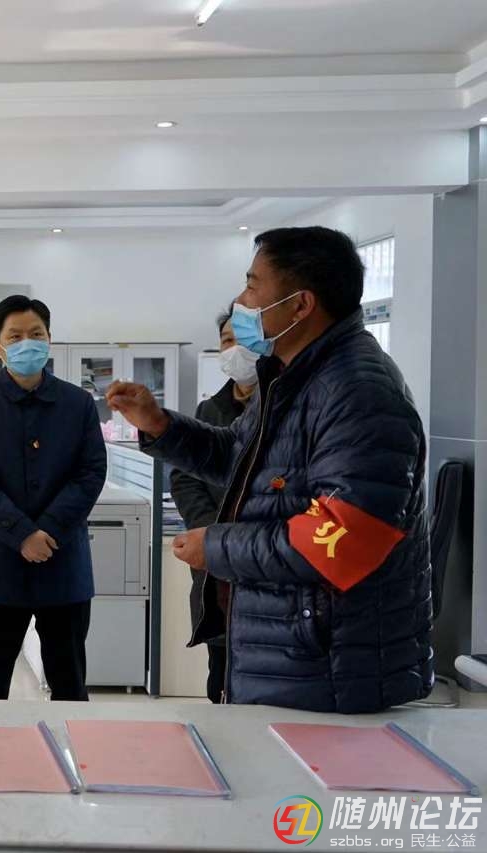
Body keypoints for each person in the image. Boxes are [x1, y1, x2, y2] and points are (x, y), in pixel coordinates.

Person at [108, 226, 432, 713]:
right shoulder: (292, 378)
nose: (241, 301)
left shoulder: (357, 391)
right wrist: (161, 426)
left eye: (252, 285)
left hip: (330, 667)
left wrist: (217, 547)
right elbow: (239, 457)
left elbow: (339, 539)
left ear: (300, 305)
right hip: (293, 651)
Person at [0, 296, 107, 701]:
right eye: (15, 336)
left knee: (69, 681)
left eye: (36, 334)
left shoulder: (78, 403)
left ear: (49, 339)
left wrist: (48, 530)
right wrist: (22, 534)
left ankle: (69, 745)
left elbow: (90, 473)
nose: (27, 343)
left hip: (63, 563)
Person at [167, 310, 257, 703]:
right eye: (227, 341)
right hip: (218, 565)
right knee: (219, 676)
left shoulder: (289, 407)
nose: (235, 349)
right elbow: (186, 478)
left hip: (266, 560)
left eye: (244, 339)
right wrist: (211, 532)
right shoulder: (210, 411)